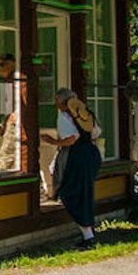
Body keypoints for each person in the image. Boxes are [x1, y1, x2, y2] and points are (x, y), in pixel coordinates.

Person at [46, 87, 102, 249]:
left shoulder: (65, 117)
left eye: (57, 101)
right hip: (91, 154)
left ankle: (88, 236)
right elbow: (96, 133)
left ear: (63, 103)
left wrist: (52, 142)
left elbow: (71, 139)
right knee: (85, 192)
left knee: (71, 192)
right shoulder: (87, 115)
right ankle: (89, 233)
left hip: (75, 156)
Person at [0, 54, 20, 171]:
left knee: (4, 160)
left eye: (2, 64)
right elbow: (6, 106)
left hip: (15, 122)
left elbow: (9, 105)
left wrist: (12, 117)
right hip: (12, 122)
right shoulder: (7, 81)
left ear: (12, 64)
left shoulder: (16, 78)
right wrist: (2, 122)